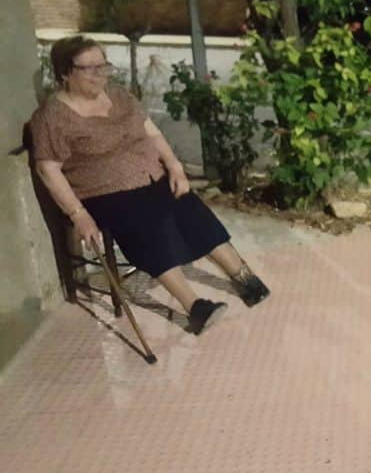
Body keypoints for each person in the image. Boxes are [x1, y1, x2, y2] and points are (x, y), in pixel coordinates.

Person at [30, 35, 271, 335]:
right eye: (89, 69)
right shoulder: (53, 117)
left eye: (103, 66)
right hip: (105, 193)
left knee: (187, 207)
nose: (99, 75)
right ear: (65, 72)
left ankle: (242, 276)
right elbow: (47, 168)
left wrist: (174, 167)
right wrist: (79, 214)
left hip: (151, 176)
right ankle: (194, 306)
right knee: (144, 223)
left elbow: (152, 133)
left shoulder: (119, 97)